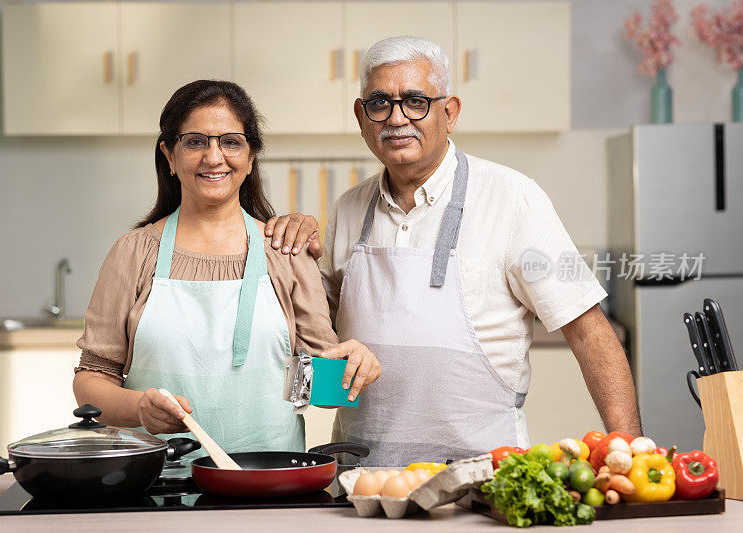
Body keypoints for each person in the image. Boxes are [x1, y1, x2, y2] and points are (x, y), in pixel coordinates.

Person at [266, 36, 641, 465]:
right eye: (379, 103)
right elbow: (316, 343)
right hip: (364, 477)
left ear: (450, 111)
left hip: (486, 475)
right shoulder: (348, 208)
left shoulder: (514, 197)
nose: (397, 118)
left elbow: (589, 330)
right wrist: (290, 257)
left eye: (416, 101)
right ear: (361, 115)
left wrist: (629, 451)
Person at [73, 80, 380, 453]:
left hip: (267, 483)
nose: (214, 157)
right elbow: (91, 380)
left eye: (231, 142)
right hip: (157, 486)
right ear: (169, 155)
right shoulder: (132, 254)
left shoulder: (286, 252)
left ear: (251, 158)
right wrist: (139, 408)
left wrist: (353, 366)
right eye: (196, 141)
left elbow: (322, 392)